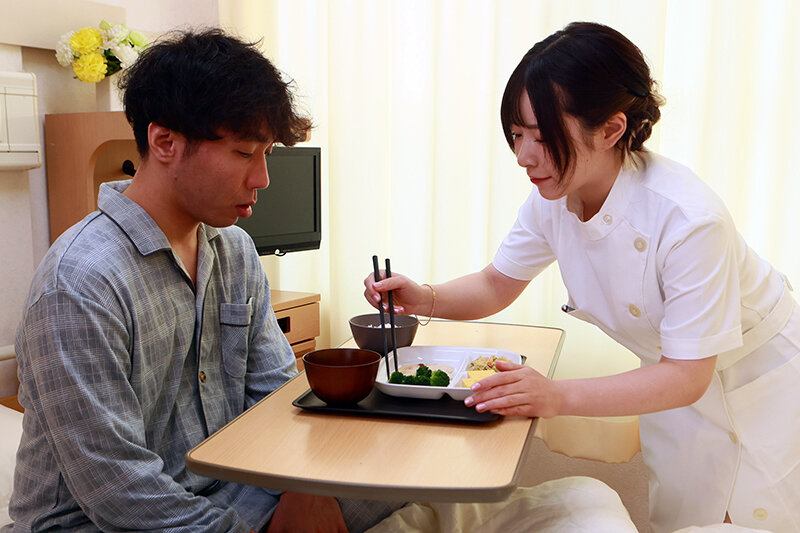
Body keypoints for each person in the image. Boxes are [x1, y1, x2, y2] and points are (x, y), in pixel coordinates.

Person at [364, 22, 799, 533]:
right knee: (683, 519)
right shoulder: (555, 196)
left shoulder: (688, 220)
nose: (524, 156)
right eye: (517, 134)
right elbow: (496, 284)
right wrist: (423, 297)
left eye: (543, 137)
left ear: (611, 129)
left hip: (762, 385)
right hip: (671, 384)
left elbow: (688, 375)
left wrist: (554, 396)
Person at [5, 29, 401, 533]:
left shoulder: (233, 251)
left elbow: (277, 397)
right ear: (165, 142)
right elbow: (118, 491)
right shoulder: (80, 284)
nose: (262, 179)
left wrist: (304, 488)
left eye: (266, 154)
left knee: (400, 475)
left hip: (236, 486)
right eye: (244, 153)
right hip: (100, 521)